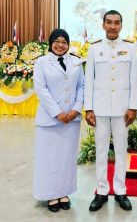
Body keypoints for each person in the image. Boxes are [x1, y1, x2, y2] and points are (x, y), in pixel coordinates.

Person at [84, 10, 137, 212]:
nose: (112, 26)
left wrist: (133, 107)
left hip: (123, 109)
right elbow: (89, 79)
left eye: (116, 23)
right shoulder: (94, 48)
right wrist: (88, 108)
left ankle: (120, 190)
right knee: (100, 150)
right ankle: (101, 191)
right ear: (103, 25)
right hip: (99, 108)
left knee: (121, 151)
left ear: (121, 25)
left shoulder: (131, 48)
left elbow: (135, 79)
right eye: (109, 22)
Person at [33, 29, 85, 212]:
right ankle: (50, 194)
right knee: (49, 159)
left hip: (71, 120)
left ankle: (64, 192)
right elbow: (41, 89)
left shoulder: (76, 62)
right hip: (49, 120)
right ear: (50, 43)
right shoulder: (41, 62)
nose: (60, 45)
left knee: (66, 159)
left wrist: (75, 110)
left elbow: (82, 87)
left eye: (64, 41)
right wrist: (58, 113)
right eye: (57, 41)